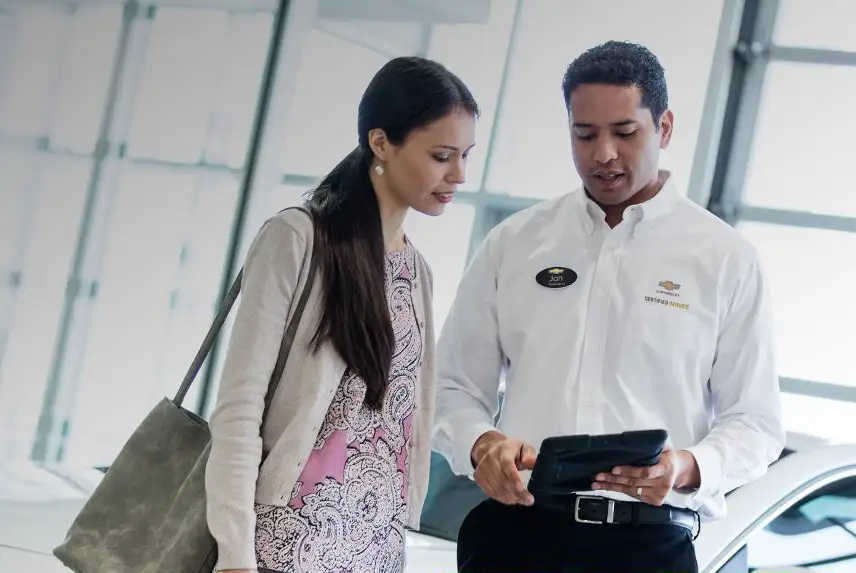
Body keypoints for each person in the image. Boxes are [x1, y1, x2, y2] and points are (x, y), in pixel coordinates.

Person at [432, 41, 785, 572]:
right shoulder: (515, 244)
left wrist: (687, 466)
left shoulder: (725, 259)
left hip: (646, 548)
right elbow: (451, 386)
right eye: (584, 134)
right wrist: (482, 443)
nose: (603, 154)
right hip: (514, 536)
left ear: (664, 128)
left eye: (625, 133)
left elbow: (755, 422)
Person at [204, 56, 478, 573]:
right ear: (381, 143)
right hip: (285, 540)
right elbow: (239, 407)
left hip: (375, 543)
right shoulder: (297, 239)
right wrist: (235, 553)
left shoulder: (417, 271)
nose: (458, 174)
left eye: (465, 155)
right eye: (442, 155)